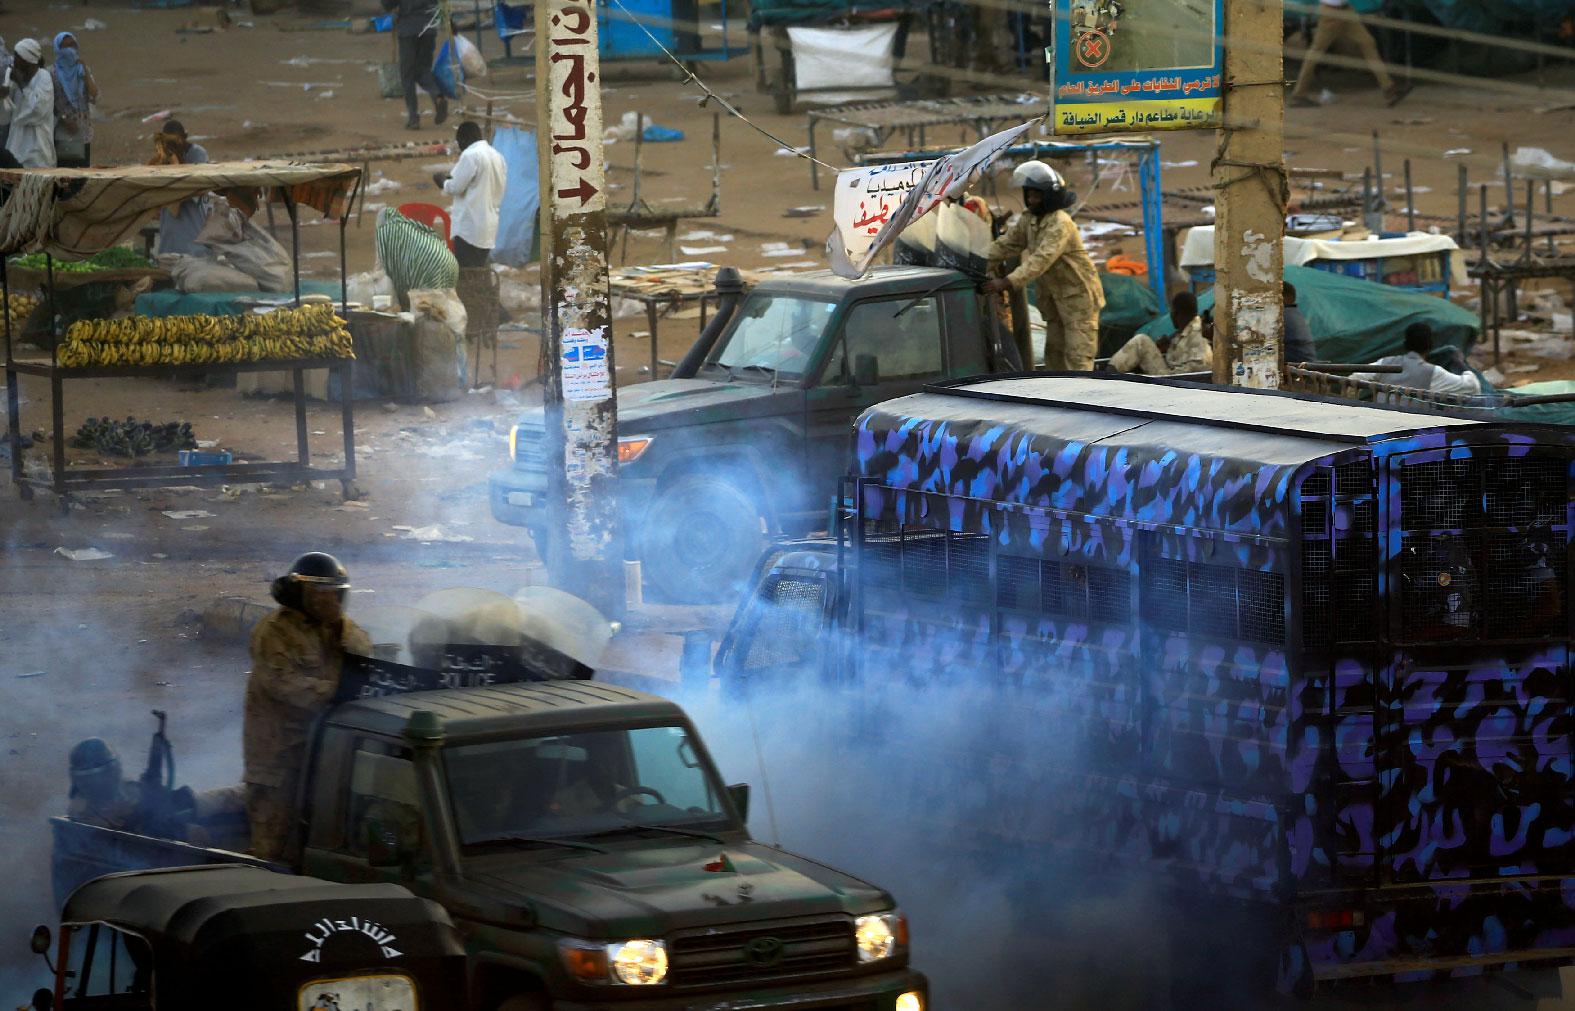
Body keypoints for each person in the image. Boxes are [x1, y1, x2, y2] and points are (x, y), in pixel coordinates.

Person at [245, 552, 372, 860]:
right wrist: (336, 692)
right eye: (327, 595)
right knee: (272, 841)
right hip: (279, 755)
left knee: (319, 835)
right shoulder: (274, 631)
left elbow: (364, 659)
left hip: (324, 751)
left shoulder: (341, 628)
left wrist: (338, 625)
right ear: (308, 595)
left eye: (338, 595)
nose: (335, 601)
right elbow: (282, 684)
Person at [982, 160, 1105, 371]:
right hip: (1053, 300)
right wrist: (978, 260)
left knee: (1078, 359)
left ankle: (1081, 400)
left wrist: (1007, 282)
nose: (1031, 200)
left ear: (1050, 196)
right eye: (1029, 195)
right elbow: (1007, 245)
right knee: (1054, 357)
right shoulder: (1030, 220)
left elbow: (1041, 259)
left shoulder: (1060, 222)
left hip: (1077, 300)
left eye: (1037, 196)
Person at [1290, 0, 1411, 108]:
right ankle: (1298, 94)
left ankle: (1388, 88)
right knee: (1316, 52)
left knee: (1367, 43)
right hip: (1332, 13)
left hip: (1345, 10)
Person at [434, 120, 507, 267]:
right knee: (477, 273)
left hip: (469, 229)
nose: (460, 148)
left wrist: (441, 181)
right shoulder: (498, 156)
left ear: (462, 140)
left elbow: (454, 187)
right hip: (488, 229)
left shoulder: (470, 155)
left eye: (459, 143)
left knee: (466, 277)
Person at [1349, 322, 1480, 396]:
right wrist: (1460, 363)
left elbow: (1355, 378)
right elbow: (1472, 386)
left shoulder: (1385, 363)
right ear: (1430, 346)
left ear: (1405, 344)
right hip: (1414, 434)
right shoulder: (1433, 373)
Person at [1107, 290, 1212, 376]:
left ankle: (1107, 374)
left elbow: (1196, 367)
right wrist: (1163, 349)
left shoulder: (1199, 334)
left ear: (1175, 313)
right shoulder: (1187, 332)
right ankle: (1109, 373)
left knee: (1141, 341)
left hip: (1174, 381)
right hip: (1178, 378)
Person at [383, 0, 448, 131]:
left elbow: (387, 4)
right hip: (428, 27)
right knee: (423, 69)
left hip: (408, 28)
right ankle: (438, 96)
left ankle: (413, 118)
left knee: (407, 74)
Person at [151, 121, 212, 257]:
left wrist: (175, 163)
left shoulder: (197, 154)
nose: (173, 146)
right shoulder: (166, 157)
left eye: (176, 141)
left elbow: (188, 190)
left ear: (185, 137)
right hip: (170, 236)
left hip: (193, 235)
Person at [50, 32, 96, 168]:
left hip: (83, 131)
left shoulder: (82, 70)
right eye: (65, 46)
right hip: (63, 131)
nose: (70, 49)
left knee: (83, 173)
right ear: (58, 49)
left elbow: (94, 95)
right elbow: (48, 104)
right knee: (64, 173)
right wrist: (65, 119)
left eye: (73, 45)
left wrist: (85, 71)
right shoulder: (51, 73)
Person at [6, 39, 54, 168]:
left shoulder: (43, 77)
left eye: (16, 56)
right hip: (15, 149)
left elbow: (38, 110)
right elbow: (7, 114)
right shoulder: (14, 80)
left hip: (37, 152)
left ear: (26, 59)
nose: (13, 59)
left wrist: (21, 84)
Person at [1283, 281, 1318, 363]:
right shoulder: (1293, 313)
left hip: (1299, 371)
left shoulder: (1283, 316)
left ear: (1282, 298)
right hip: (1305, 367)